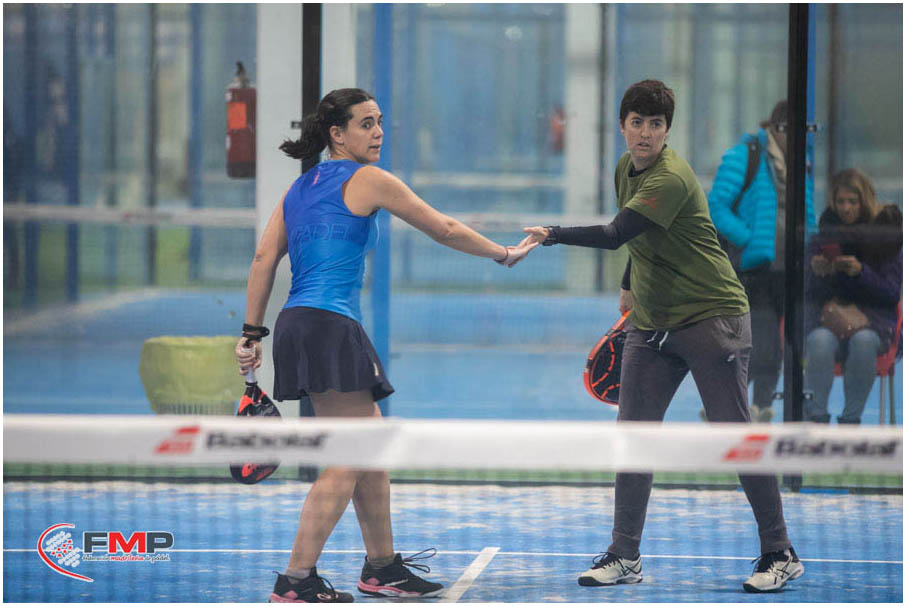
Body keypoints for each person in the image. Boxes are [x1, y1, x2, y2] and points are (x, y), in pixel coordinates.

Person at [235, 88, 536, 603]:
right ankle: (296, 579)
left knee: (368, 443)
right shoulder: (369, 179)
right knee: (350, 453)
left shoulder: (299, 188)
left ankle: (382, 568)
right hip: (329, 324)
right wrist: (502, 253)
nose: (377, 133)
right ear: (337, 134)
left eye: (379, 122)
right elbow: (443, 228)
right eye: (366, 124)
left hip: (295, 324)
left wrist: (252, 332)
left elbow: (264, 259)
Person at [517, 80, 802, 593]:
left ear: (667, 130)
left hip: (712, 318)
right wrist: (630, 284)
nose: (645, 133)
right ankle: (624, 554)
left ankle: (780, 551)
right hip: (652, 325)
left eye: (655, 124)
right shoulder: (624, 169)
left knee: (735, 437)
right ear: (622, 125)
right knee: (634, 437)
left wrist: (551, 234)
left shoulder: (670, 177)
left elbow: (615, 235)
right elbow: (641, 236)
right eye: (637, 122)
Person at [707, 100, 816, 422]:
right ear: (777, 129)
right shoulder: (745, 156)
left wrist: (811, 247)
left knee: (775, 345)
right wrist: (748, 238)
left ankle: (759, 405)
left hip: (789, 268)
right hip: (752, 269)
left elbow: (807, 211)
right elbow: (716, 207)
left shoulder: (801, 163)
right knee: (763, 340)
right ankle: (735, 403)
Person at [803, 169, 901, 424]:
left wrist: (861, 273)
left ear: (863, 202)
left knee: (863, 342)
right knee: (819, 341)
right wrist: (818, 273)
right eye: (841, 202)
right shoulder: (822, 238)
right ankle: (816, 418)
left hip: (873, 323)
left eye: (852, 202)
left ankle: (851, 420)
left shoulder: (885, 237)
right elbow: (804, 293)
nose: (846, 208)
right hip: (828, 321)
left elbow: (892, 293)